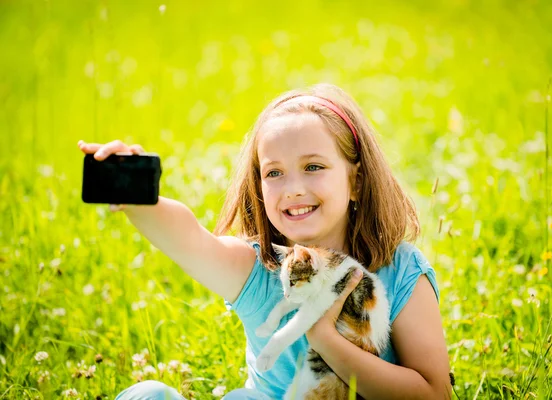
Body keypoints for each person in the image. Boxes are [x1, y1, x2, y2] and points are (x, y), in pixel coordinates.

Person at [78, 83, 451, 399]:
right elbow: (189, 238)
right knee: (150, 395)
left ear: (356, 180)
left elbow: (434, 393)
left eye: (313, 167)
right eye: (274, 173)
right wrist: (139, 198)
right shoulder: (258, 271)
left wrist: (326, 341)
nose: (293, 189)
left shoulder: (400, 271)